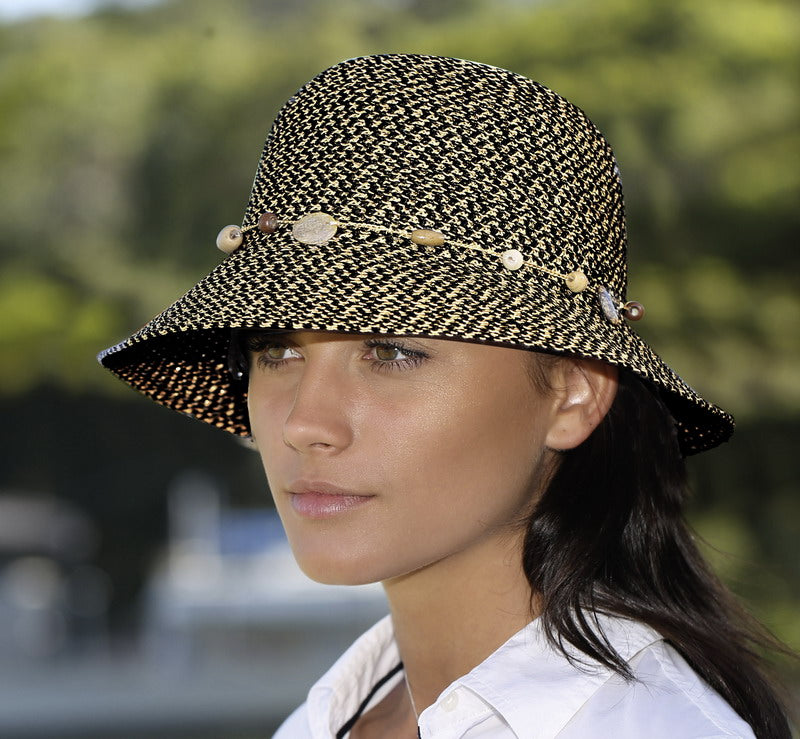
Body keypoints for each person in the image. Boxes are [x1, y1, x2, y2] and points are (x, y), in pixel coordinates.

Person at [99, 55, 793, 738]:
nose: (305, 423)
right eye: (274, 352)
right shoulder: (322, 720)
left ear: (574, 395)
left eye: (391, 352)